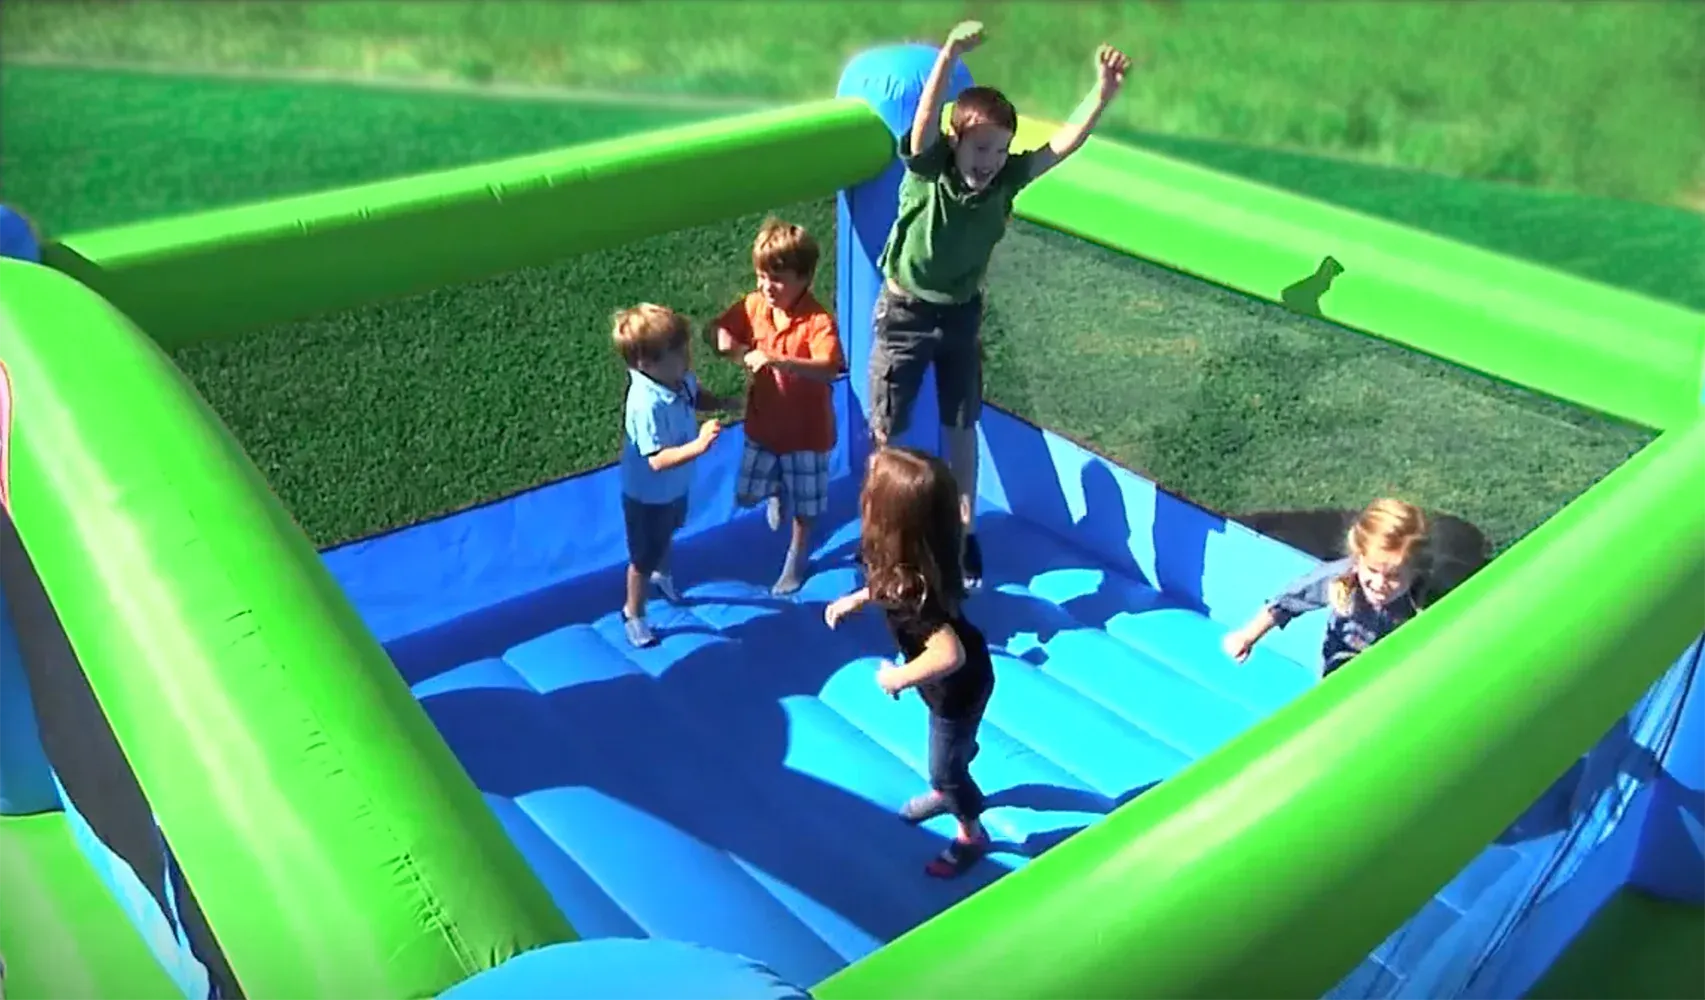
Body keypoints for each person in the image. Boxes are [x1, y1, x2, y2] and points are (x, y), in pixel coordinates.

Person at [870, 19, 1133, 590]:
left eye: (1000, 148)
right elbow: (922, 122)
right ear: (956, 141)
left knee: (961, 429)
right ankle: (881, 537)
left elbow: (1063, 144)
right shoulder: (929, 168)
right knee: (886, 431)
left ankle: (961, 538)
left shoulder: (1007, 179)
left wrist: (1102, 94)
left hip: (961, 314)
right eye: (982, 147)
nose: (991, 159)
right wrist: (947, 55)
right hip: (905, 316)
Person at [825, 446, 996, 878]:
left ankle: (970, 831)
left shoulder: (917, 588)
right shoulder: (906, 556)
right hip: (943, 684)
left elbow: (948, 653)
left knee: (945, 767)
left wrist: (897, 677)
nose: (863, 494)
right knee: (952, 749)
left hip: (956, 688)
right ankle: (956, 764)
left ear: (890, 516)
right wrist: (857, 599)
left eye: (870, 490)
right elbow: (886, 584)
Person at [709, 218, 844, 596]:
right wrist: (729, 345)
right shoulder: (754, 306)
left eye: (778, 279)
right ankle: (775, 491)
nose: (766, 286)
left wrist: (781, 361)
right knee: (748, 493)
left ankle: (797, 554)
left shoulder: (818, 322)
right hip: (764, 426)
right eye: (761, 276)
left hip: (807, 435)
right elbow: (717, 330)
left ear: (805, 279)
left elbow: (829, 369)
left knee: (806, 505)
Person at [615, 303, 734, 648]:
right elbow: (656, 459)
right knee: (642, 556)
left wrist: (725, 402)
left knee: (670, 530)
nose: (688, 358)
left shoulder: (677, 378)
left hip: (674, 488)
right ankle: (633, 612)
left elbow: (697, 397)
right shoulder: (644, 404)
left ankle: (662, 573)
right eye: (679, 353)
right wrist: (699, 446)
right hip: (647, 495)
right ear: (646, 364)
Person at [1222, 498, 1432, 677]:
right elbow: (1286, 603)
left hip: (1393, 667)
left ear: (1414, 570)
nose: (1379, 584)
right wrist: (1247, 636)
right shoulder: (1340, 578)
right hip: (1342, 663)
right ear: (1358, 558)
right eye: (1372, 570)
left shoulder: (1422, 594)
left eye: (1394, 576)